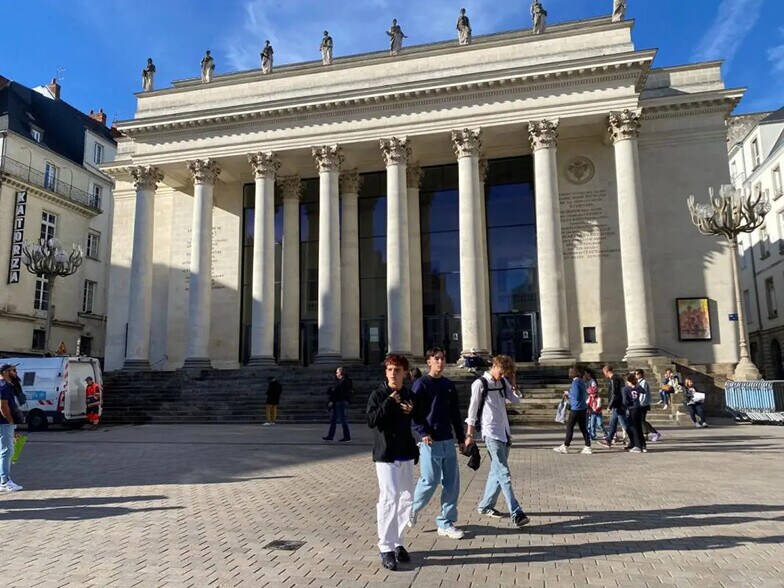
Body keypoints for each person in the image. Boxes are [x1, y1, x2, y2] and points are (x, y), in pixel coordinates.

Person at [366, 354, 418, 571]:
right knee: (389, 498)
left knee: (406, 498)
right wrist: (389, 401)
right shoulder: (378, 395)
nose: (393, 374)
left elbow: (416, 420)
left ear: (405, 373)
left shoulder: (409, 394)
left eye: (397, 370)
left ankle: (397, 541)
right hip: (386, 455)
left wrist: (412, 411)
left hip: (405, 452)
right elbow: (372, 420)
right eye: (389, 370)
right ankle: (385, 546)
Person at [465, 355, 529, 527]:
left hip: (504, 432)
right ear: (493, 366)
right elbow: (472, 411)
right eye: (501, 372)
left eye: (505, 373)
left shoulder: (503, 382)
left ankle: (485, 506)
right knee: (503, 473)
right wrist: (469, 435)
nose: (502, 375)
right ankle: (516, 512)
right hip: (490, 432)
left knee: (496, 472)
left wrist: (513, 381)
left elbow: (516, 400)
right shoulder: (480, 384)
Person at [410, 347, 466, 539]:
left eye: (442, 358)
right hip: (430, 441)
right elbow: (414, 412)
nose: (440, 362)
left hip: (447, 439)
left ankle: (446, 522)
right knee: (430, 480)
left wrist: (461, 438)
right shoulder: (421, 384)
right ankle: (412, 509)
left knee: (452, 483)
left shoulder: (448, 385)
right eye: (436, 359)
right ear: (429, 362)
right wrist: (423, 432)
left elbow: (455, 414)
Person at [554, 367, 592, 455]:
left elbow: (576, 396)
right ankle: (588, 446)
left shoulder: (575, 382)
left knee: (570, 427)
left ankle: (566, 446)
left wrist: (568, 394)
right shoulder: (582, 381)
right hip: (583, 408)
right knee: (583, 428)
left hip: (576, 408)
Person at [0, 363, 23, 492]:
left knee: (4, 451)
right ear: (5, 372)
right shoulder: (4, 386)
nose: (15, 372)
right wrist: (10, 422)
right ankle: (5, 482)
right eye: (13, 370)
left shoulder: (5, 386)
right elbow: (3, 406)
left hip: (3, 423)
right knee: (6, 451)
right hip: (4, 423)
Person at [599, 365, 629, 449]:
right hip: (619, 403)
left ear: (607, 371)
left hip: (617, 404)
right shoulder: (618, 378)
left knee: (624, 424)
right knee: (613, 423)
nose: (604, 375)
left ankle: (634, 439)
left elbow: (614, 394)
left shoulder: (613, 379)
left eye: (604, 373)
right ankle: (609, 440)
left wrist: (610, 406)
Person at [323, 367, 352, 442]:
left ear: (341, 373)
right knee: (333, 420)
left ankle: (347, 436)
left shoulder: (344, 381)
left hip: (340, 402)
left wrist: (332, 400)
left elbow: (339, 393)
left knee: (343, 420)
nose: (336, 374)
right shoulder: (340, 381)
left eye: (337, 372)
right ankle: (330, 436)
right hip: (337, 402)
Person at [621, 372, 646, 453]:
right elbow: (643, 391)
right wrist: (636, 385)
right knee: (639, 427)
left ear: (628, 381)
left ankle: (637, 445)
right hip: (638, 408)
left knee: (633, 427)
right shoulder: (637, 387)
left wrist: (624, 407)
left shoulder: (625, 389)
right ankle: (643, 445)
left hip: (631, 409)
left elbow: (624, 401)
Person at [635, 369, 661, 442]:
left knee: (641, 420)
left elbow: (643, 394)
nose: (636, 375)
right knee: (641, 420)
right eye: (635, 374)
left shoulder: (643, 382)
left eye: (637, 374)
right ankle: (645, 433)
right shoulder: (638, 382)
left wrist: (640, 403)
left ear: (641, 374)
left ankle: (655, 432)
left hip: (643, 404)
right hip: (641, 404)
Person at [584, 368, 606, 440]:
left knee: (599, 424)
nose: (584, 375)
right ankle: (592, 435)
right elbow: (587, 400)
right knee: (591, 423)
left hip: (596, 411)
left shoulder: (592, 382)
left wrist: (594, 408)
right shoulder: (587, 382)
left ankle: (605, 433)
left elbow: (598, 404)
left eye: (585, 373)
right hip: (591, 409)